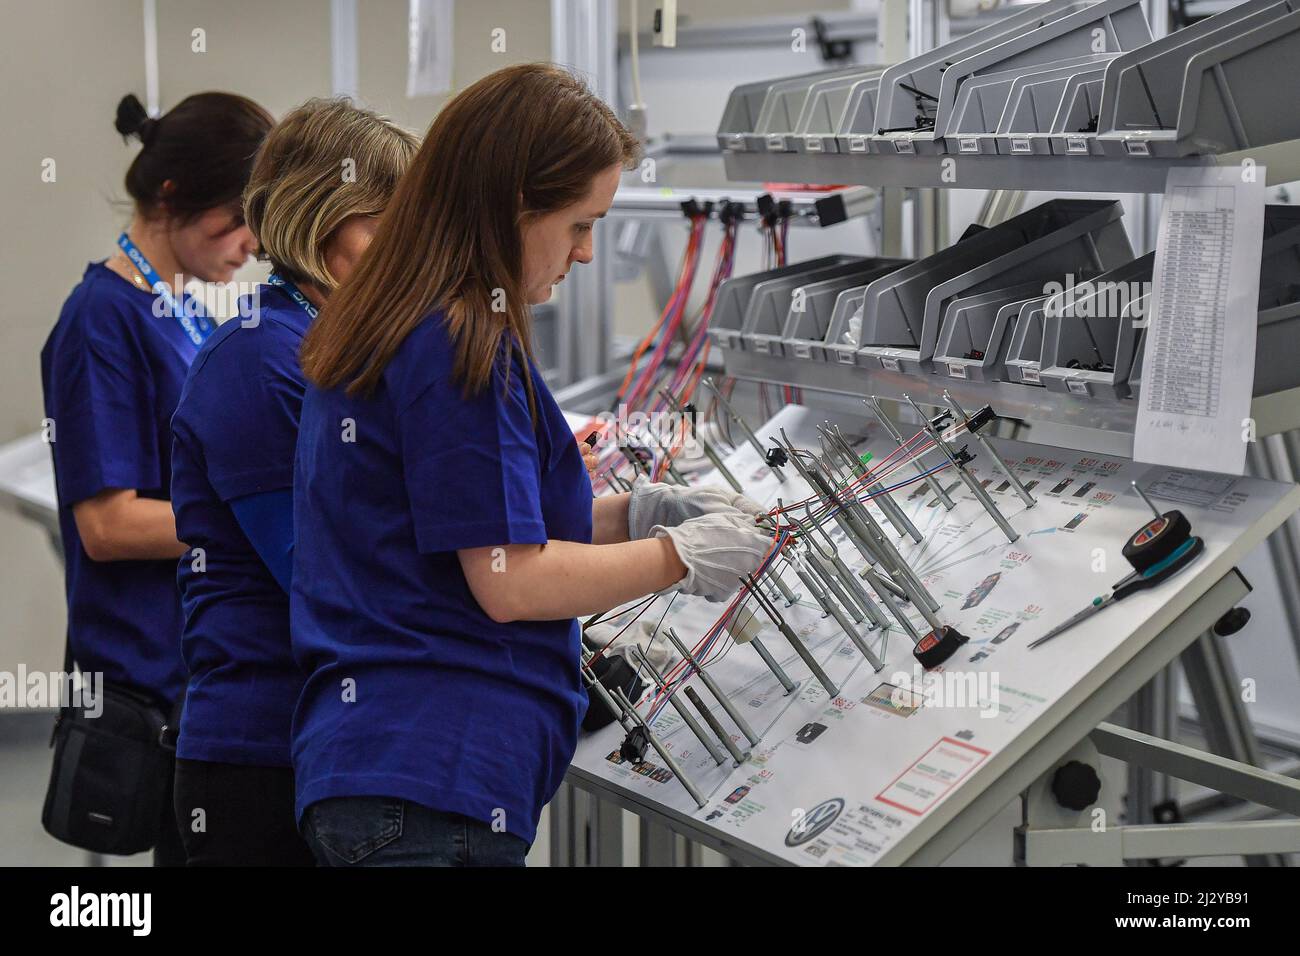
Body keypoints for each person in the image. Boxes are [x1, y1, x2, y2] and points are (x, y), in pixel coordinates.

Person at [291, 63, 774, 868]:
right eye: (580, 224)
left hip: (390, 773)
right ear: (513, 206)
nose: (585, 253)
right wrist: (677, 558)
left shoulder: (402, 321)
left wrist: (641, 514)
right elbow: (509, 580)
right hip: (431, 783)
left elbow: (471, 529)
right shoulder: (454, 340)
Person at [169, 99, 418, 866]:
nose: (404, 251)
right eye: (381, 225)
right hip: (261, 755)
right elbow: (323, 571)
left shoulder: (330, 346)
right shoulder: (257, 358)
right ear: (315, 219)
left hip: (335, 743)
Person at [40, 91, 273, 866]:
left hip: (203, 659)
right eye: (236, 219)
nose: (250, 243)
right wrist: (255, 522)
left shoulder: (179, 308)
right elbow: (106, 526)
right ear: (172, 197)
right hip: (152, 671)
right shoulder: (99, 320)